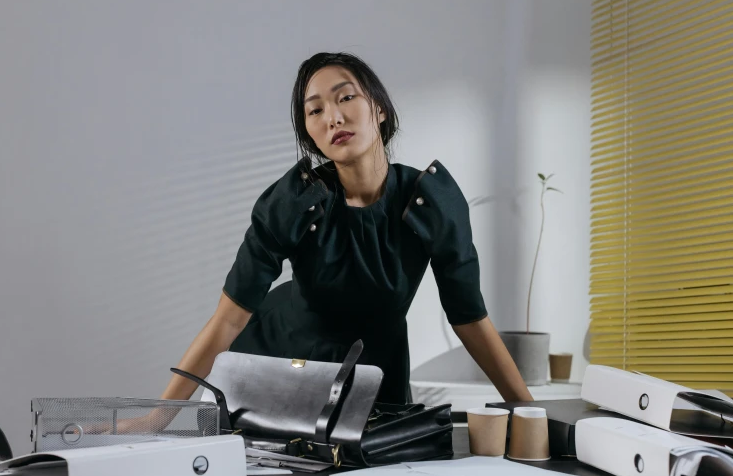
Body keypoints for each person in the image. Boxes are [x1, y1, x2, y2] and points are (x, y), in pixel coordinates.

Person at [161, 52, 533, 407]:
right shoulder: (292, 202)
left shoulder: (430, 202)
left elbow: (469, 318)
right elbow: (228, 319)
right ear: (311, 135)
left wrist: (527, 410)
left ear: (380, 109)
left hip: (376, 376)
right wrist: (155, 418)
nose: (333, 118)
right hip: (275, 364)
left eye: (346, 97)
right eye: (316, 110)